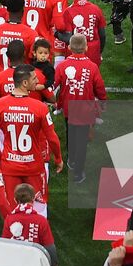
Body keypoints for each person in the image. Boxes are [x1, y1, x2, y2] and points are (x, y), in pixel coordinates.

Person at [0, 65, 63, 215]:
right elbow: (52, 138)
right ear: (24, 83)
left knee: (12, 210)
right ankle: (36, 236)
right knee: (38, 207)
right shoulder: (39, 107)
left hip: (9, 164)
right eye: (34, 78)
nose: (37, 81)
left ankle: (14, 236)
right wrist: (58, 158)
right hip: (34, 166)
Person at [53, 33, 104, 183]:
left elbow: (54, 85)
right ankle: (78, 172)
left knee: (70, 132)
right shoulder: (92, 67)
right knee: (82, 140)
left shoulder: (62, 66)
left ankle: (71, 159)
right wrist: (103, 101)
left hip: (69, 107)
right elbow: (99, 88)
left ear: (68, 48)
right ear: (86, 48)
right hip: (85, 109)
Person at [4, 182, 58, 266]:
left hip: (15, 265)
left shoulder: (9, 219)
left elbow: (5, 245)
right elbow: (50, 247)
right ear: (33, 199)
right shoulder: (41, 220)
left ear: (15, 200)